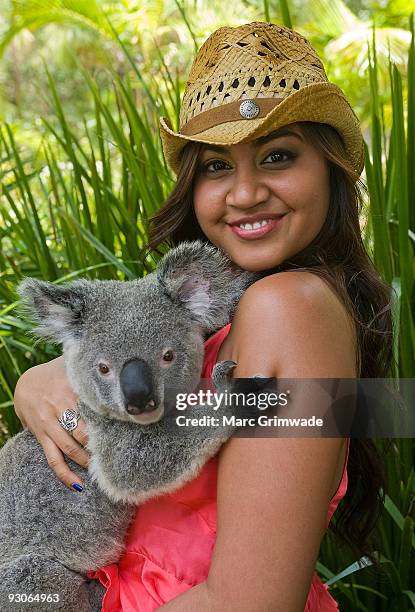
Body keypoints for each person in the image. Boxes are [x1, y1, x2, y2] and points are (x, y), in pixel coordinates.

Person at [13, 21, 392, 611]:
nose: (244, 193)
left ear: (334, 168)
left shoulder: (288, 306)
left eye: (278, 155)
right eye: (217, 166)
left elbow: (251, 602)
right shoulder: (223, 310)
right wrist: (39, 384)